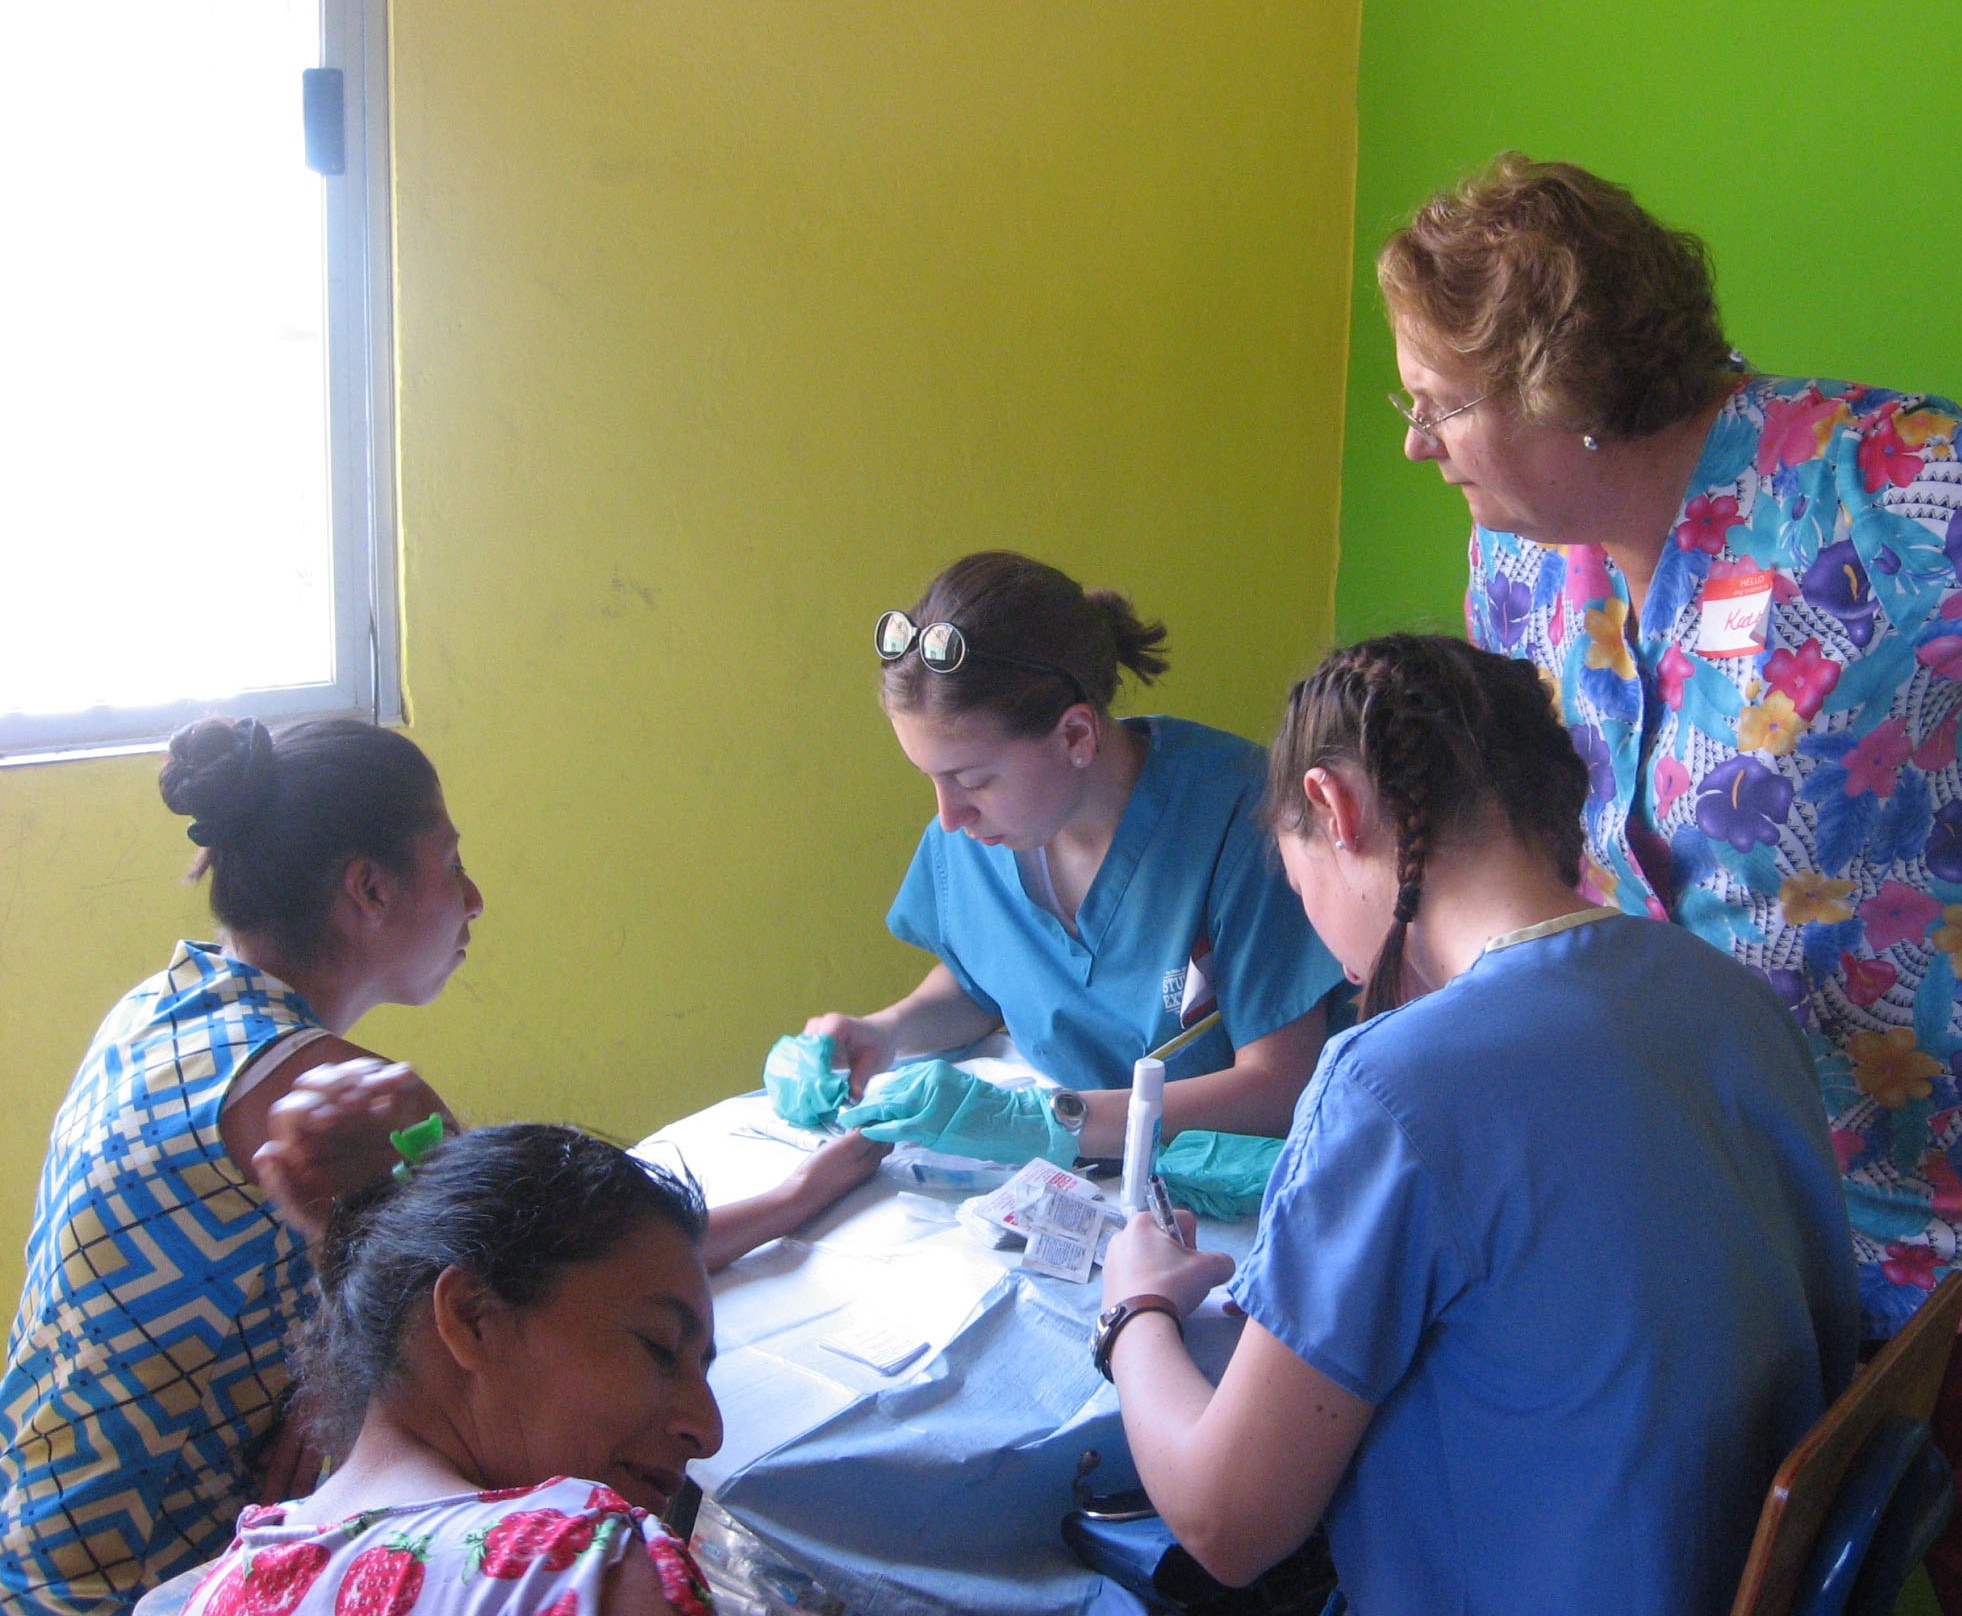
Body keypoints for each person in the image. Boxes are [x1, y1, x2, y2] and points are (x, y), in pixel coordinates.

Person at [1376, 153, 1962, 1613]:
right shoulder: (1523, 558)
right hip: (1804, 1181)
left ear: (1565, 393)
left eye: (1442, 401)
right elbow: (1552, 825)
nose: (1417, 441)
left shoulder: (1865, 495)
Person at [1098, 634, 1858, 1615]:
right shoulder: (1730, 998)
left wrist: (1134, 1312)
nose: (1334, 962)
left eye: (1301, 891)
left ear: (1335, 809)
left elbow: (1225, 1525)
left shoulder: (1390, 1086)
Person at [1, 717, 481, 1616]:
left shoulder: (164, 1006)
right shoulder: (329, 1091)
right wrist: (804, 1188)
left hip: (26, 1543)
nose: (476, 897)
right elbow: (534, 1271)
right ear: (368, 886)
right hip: (118, 1594)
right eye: (452, 863)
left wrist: (335, 1371)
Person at [805, 551, 1345, 1159]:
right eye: (930, 778)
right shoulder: (977, 837)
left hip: (1223, 1193)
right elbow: (987, 976)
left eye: (973, 780)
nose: (948, 816)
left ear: (1075, 736)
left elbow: (1280, 1089)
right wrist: (888, 1030)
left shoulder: (1242, 820)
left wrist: (1050, 1121)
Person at [179, 1123, 722, 1616]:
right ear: (472, 1315)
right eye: (659, 1345)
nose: (707, 1430)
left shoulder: (219, 1588)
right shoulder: (579, 1567)